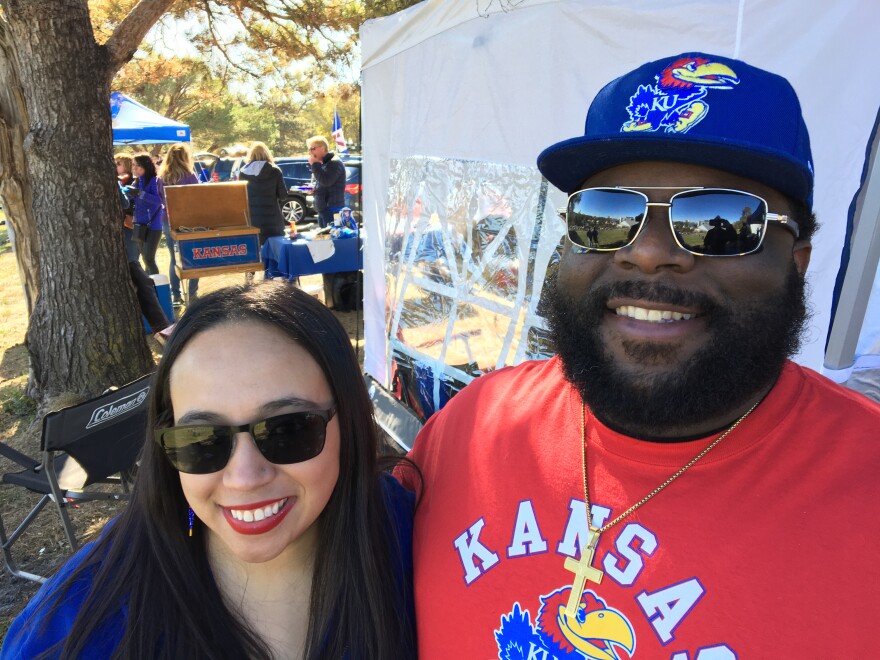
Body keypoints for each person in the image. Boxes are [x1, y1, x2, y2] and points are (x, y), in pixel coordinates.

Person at [401, 52, 880, 657]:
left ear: (797, 261)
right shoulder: (470, 427)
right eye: (606, 215)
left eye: (718, 221)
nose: (649, 252)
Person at [2, 281, 416, 658]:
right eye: (202, 441)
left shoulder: (415, 535)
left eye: (289, 429)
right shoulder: (76, 627)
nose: (244, 477)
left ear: (350, 421)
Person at [238, 142, 287, 282]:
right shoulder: (275, 170)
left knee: (252, 251)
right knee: (275, 249)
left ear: (251, 155)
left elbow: (240, 196)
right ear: (267, 153)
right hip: (272, 219)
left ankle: (249, 279)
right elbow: (283, 195)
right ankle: (272, 278)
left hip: (252, 219)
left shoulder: (243, 171)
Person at [158, 143, 200, 305]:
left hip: (168, 220)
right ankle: (192, 294)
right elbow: (198, 197)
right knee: (193, 257)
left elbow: (161, 199)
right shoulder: (190, 175)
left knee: (174, 259)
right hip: (188, 221)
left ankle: (176, 295)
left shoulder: (162, 177)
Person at [127, 153, 164, 275]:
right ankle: (150, 286)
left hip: (153, 225)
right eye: (133, 165)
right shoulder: (136, 182)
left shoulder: (155, 180)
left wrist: (140, 193)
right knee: (145, 259)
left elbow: (159, 201)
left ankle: (157, 287)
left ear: (146, 166)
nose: (134, 168)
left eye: (138, 166)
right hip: (139, 224)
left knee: (149, 259)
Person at [307, 136, 346, 229]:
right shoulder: (325, 163)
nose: (310, 152)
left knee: (332, 240)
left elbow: (326, 181)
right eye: (309, 149)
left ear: (323, 148)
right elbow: (324, 183)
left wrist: (315, 164)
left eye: (313, 149)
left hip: (332, 209)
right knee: (324, 241)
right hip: (323, 209)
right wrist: (314, 189)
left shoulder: (334, 163)